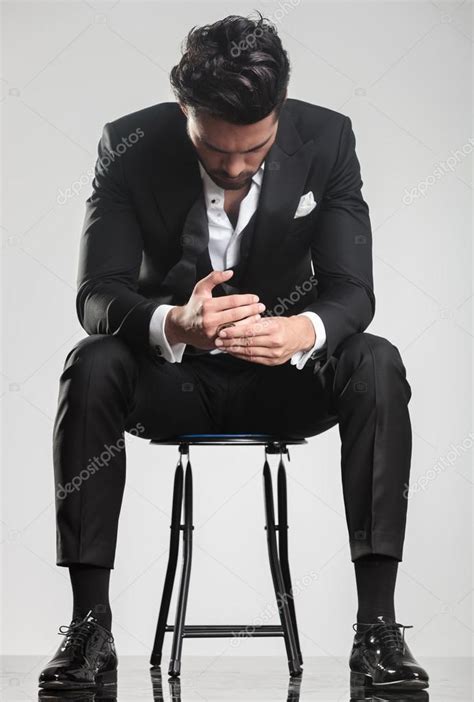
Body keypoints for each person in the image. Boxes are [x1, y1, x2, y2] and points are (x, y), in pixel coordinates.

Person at [39, 12, 429, 694]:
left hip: (284, 384)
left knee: (376, 359)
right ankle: (89, 628)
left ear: (279, 112)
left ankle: (377, 629)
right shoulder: (129, 143)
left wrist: (301, 332)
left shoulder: (327, 137)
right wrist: (174, 323)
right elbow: (96, 294)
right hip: (172, 383)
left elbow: (351, 290)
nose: (237, 170)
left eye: (255, 152)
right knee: (90, 359)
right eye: (217, 155)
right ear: (185, 110)